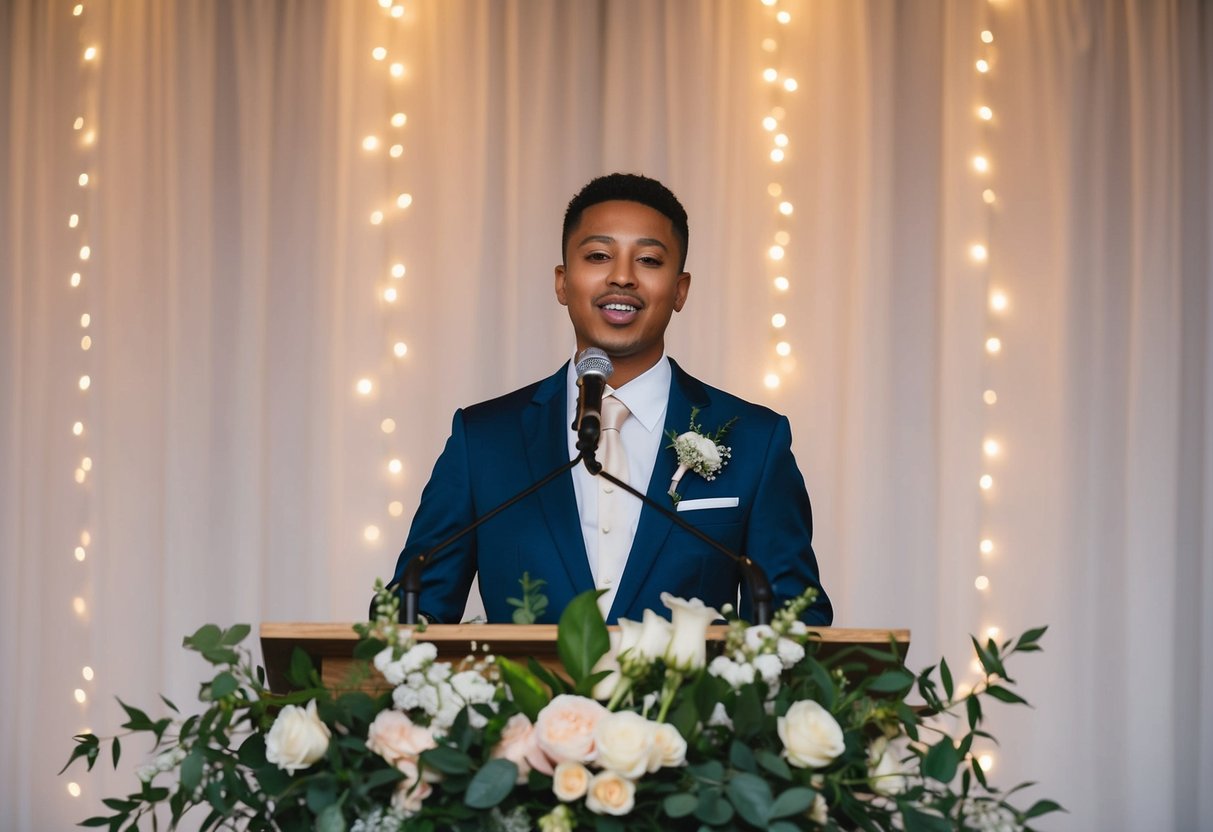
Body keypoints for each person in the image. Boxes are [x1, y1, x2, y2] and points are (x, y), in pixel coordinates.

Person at [389, 173, 831, 625]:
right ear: (562, 283)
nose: (622, 276)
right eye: (599, 256)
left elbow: (796, 620)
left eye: (649, 260)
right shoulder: (483, 441)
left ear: (680, 291)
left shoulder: (756, 442)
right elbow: (412, 609)